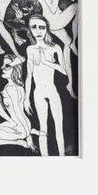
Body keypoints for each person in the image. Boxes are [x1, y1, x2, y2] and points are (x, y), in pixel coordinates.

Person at [26, 0, 78, 98]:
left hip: (59, 17)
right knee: (77, 8)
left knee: (68, 47)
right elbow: (51, 6)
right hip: (51, 20)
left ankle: (70, 84)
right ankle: (75, 41)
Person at [24, 15, 68, 156]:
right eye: (34, 27)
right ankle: (45, 159)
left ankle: (62, 158)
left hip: (52, 91)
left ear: (46, 29)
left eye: (41, 27)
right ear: (30, 30)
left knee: (59, 127)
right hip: (38, 93)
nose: (38, 31)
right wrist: (26, 98)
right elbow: (29, 76)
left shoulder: (55, 47)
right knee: (43, 130)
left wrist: (47, 62)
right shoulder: (30, 49)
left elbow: (64, 71)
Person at [1, 55, 40, 152]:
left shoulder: (10, 88)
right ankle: (31, 131)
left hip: (19, 127)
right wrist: (28, 135)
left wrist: (26, 133)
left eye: (7, 66)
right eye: (3, 65)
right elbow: (19, 113)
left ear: (15, 69)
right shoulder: (18, 86)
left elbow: (17, 113)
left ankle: (21, 140)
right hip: (24, 124)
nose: (2, 68)